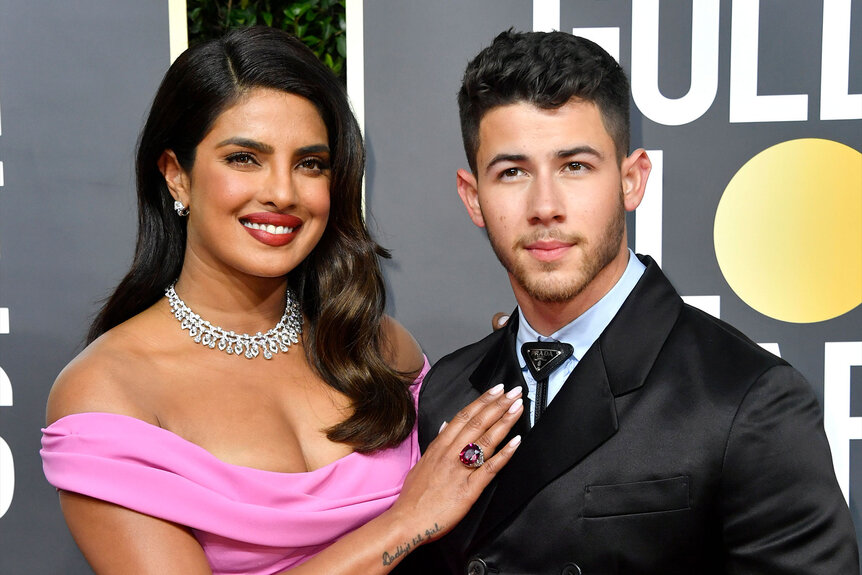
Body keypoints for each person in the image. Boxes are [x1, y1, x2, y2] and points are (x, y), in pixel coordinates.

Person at [40, 27, 524, 575]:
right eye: (245, 158)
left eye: (310, 163)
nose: (283, 193)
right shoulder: (109, 392)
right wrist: (406, 522)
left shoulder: (380, 346)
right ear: (177, 176)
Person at [416, 30, 859, 574]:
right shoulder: (447, 390)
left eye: (575, 166)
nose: (544, 206)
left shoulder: (746, 399)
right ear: (473, 197)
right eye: (512, 172)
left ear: (631, 181)